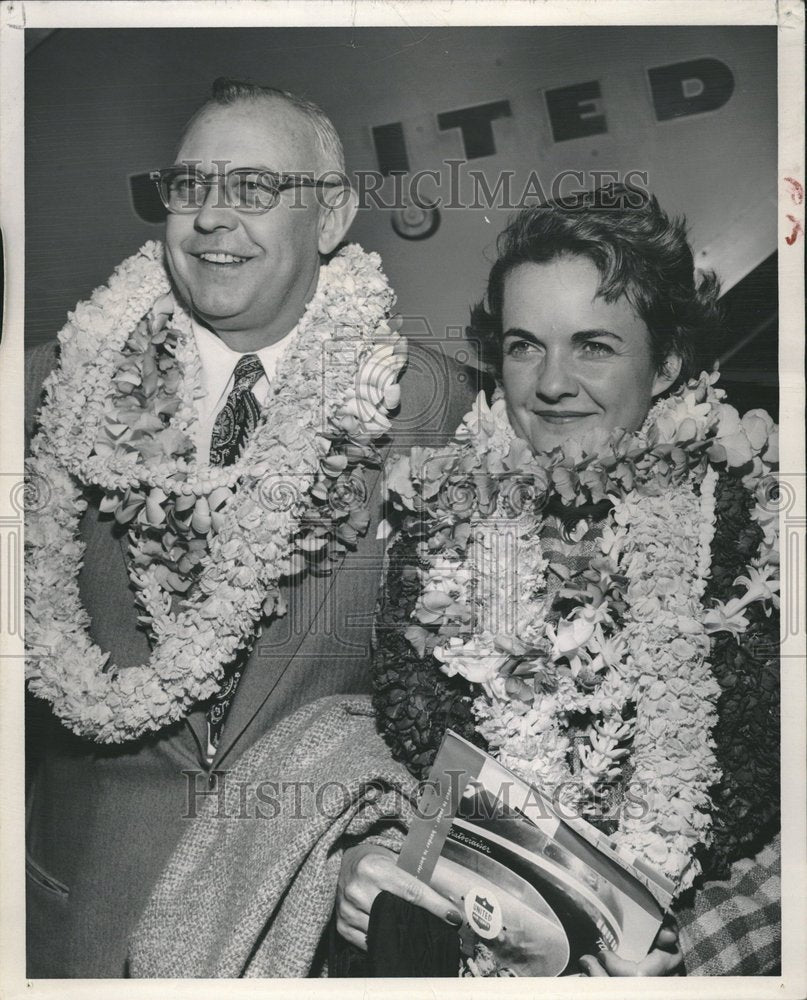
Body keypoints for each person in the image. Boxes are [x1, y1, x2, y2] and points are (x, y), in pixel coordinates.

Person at [23, 77, 486, 977]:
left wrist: (409, 857)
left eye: (254, 190)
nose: (211, 219)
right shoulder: (47, 392)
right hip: (83, 911)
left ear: (333, 216)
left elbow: (481, 691)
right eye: (191, 187)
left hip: (308, 912)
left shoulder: (439, 409)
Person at [336, 185, 781, 977]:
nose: (549, 383)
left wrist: (696, 958)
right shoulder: (434, 520)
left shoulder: (761, 528)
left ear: (669, 359)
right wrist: (368, 860)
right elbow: (390, 755)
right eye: (523, 345)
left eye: (594, 346)